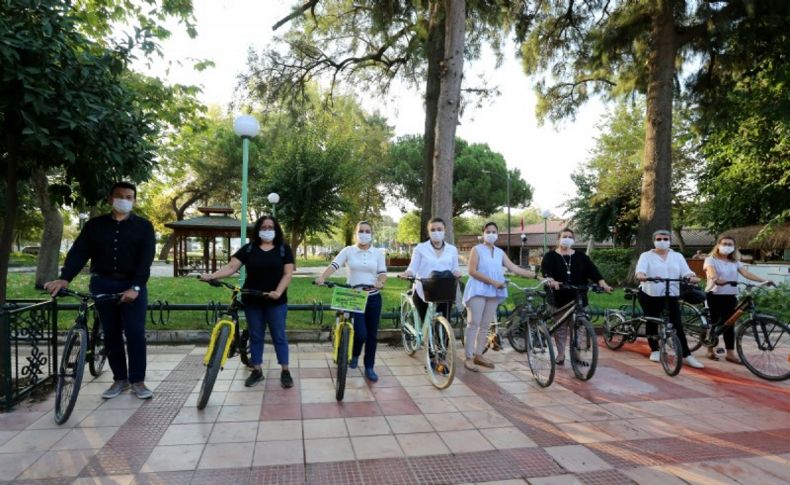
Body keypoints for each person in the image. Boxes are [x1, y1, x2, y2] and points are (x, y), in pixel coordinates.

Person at [44, 182, 156, 399]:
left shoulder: (144, 226)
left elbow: (146, 260)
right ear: (110, 199)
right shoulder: (95, 226)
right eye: (119, 195)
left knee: (134, 334)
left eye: (129, 196)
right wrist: (64, 278)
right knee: (111, 334)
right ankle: (120, 380)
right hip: (103, 283)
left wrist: (135, 287)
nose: (124, 199)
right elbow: (78, 253)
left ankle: (138, 381)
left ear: (134, 200)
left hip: (132, 286)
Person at [200, 215, 295, 388]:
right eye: (263, 227)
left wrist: (278, 292)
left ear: (276, 229)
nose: (267, 230)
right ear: (258, 230)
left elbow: (288, 273)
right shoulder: (249, 249)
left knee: (279, 336)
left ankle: (285, 371)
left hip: (276, 301)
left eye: (270, 227)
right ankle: (257, 370)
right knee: (256, 336)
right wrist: (211, 276)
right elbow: (231, 267)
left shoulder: (283, 249)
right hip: (252, 300)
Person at [315, 221, 387, 381]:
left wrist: (380, 282)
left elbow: (382, 273)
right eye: (361, 231)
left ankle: (369, 366)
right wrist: (322, 277)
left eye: (367, 231)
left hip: (373, 297)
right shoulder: (348, 251)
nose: (364, 234)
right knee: (361, 333)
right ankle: (354, 354)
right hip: (354, 297)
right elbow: (334, 265)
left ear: (372, 234)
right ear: (356, 233)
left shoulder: (377, 253)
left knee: (372, 336)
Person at [463, 222, 535, 371]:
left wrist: (535, 275)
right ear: (483, 233)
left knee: (485, 325)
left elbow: (514, 268)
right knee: (474, 323)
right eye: (488, 231)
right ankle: (468, 357)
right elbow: (472, 271)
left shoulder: (500, 252)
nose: (491, 234)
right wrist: (493, 282)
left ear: (497, 234)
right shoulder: (476, 249)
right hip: (478, 289)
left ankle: (478, 355)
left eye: (494, 231)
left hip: (494, 292)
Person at [541, 228, 612, 365]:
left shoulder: (581, 256)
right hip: (559, 297)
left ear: (573, 240)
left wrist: (603, 283)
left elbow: (593, 271)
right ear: (558, 239)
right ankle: (561, 354)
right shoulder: (550, 256)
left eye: (569, 236)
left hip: (579, 297)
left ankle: (578, 354)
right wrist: (551, 280)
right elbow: (546, 271)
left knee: (580, 327)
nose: (567, 239)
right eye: (564, 236)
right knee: (560, 329)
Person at [635, 229, 704, 368]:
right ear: (654, 241)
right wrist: (643, 276)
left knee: (677, 324)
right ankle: (654, 349)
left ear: (670, 241)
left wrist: (691, 277)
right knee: (652, 320)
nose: (662, 241)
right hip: (650, 292)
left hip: (671, 293)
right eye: (659, 239)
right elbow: (640, 271)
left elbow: (686, 271)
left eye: (666, 239)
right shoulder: (646, 256)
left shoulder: (677, 256)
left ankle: (686, 355)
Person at [703, 235, 771, 363]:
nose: (727, 246)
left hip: (730, 296)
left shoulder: (735, 262)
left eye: (730, 244)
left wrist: (764, 280)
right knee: (714, 322)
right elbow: (711, 272)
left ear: (734, 248)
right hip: (714, 295)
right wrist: (716, 279)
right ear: (718, 245)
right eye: (725, 244)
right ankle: (710, 350)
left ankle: (730, 353)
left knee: (729, 325)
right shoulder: (711, 260)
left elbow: (746, 273)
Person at [403, 217, 461, 322]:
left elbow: (455, 268)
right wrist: (407, 273)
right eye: (433, 230)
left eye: (439, 229)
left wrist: (457, 273)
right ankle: (423, 338)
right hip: (424, 290)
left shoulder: (452, 250)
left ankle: (443, 337)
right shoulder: (420, 248)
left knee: (444, 326)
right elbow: (412, 268)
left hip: (444, 291)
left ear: (445, 230)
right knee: (424, 323)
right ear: (428, 232)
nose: (436, 232)